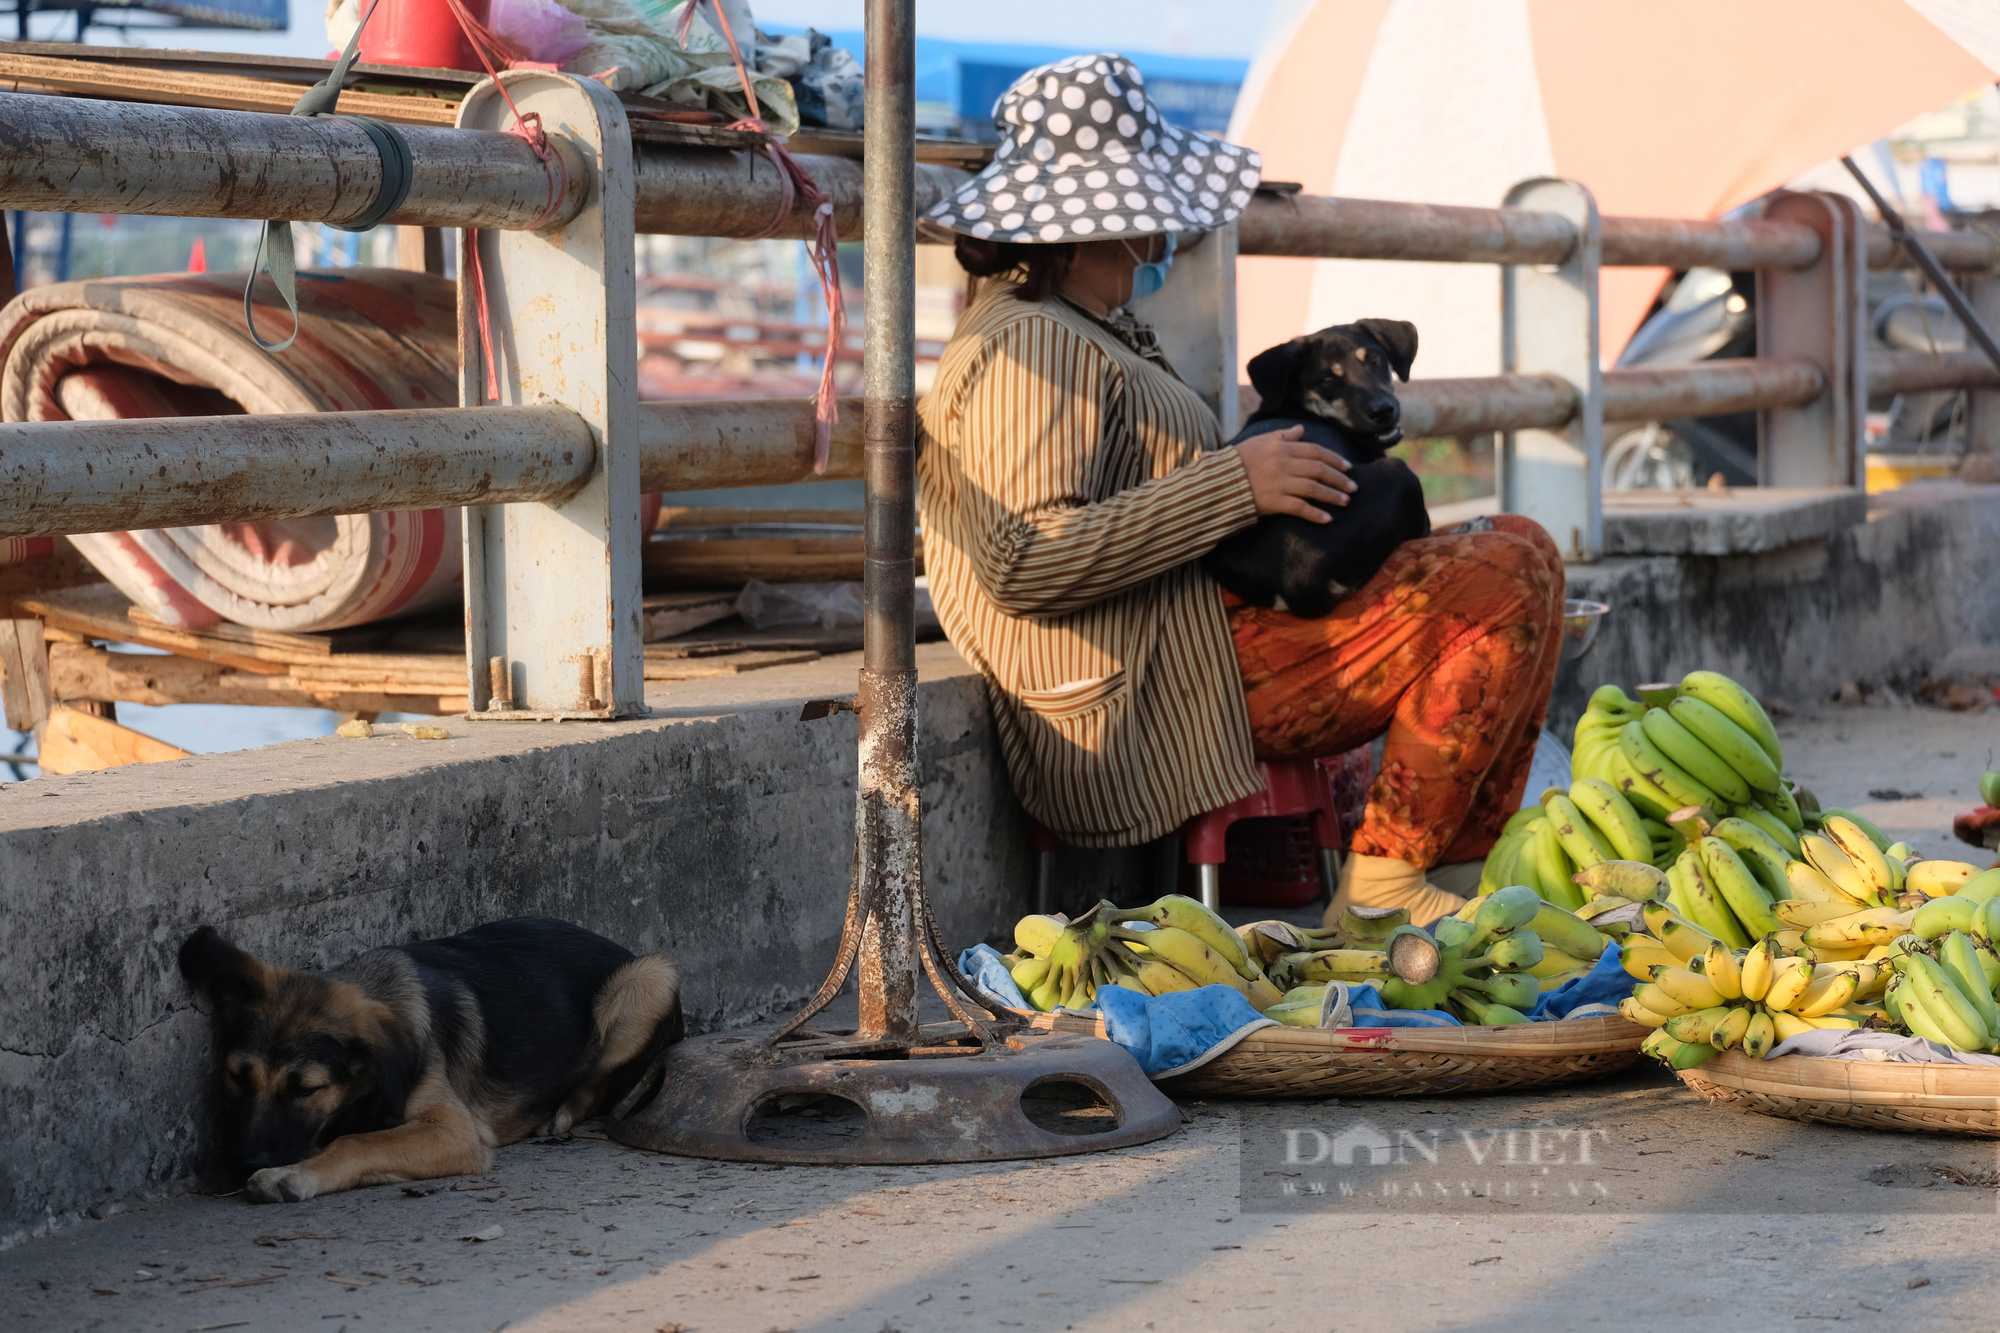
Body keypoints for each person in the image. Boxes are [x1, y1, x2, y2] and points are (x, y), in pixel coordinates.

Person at [917, 55, 1565, 927]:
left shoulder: (1083, 327)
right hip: (1148, 684)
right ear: (1094, 223)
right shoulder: (1033, 344)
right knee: (1498, 577)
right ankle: (1382, 892)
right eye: (1142, 214)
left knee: (1522, 543)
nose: (1155, 239)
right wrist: (1235, 483)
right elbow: (1025, 561)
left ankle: (1449, 874)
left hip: (1191, 642)